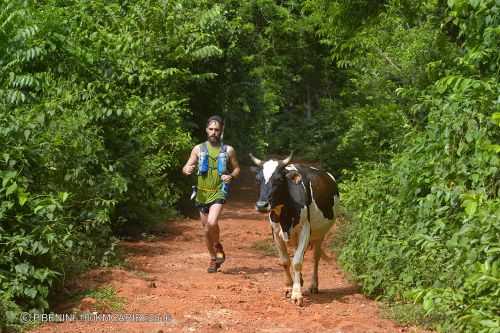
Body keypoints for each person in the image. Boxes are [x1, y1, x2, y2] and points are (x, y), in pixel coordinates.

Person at [182, 115, 240, 273]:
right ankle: (214, 258)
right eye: (211, 129)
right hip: (202, 193)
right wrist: (187, 169)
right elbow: (187, 166)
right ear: (206, 130)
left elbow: (236, 168)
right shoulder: (198, 149)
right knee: (206, 230)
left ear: (221, 131)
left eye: (217, 130)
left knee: (212, 223)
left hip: (219, 192)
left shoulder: (228, 150)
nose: (214, 132)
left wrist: (231, 176)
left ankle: (217, 246)